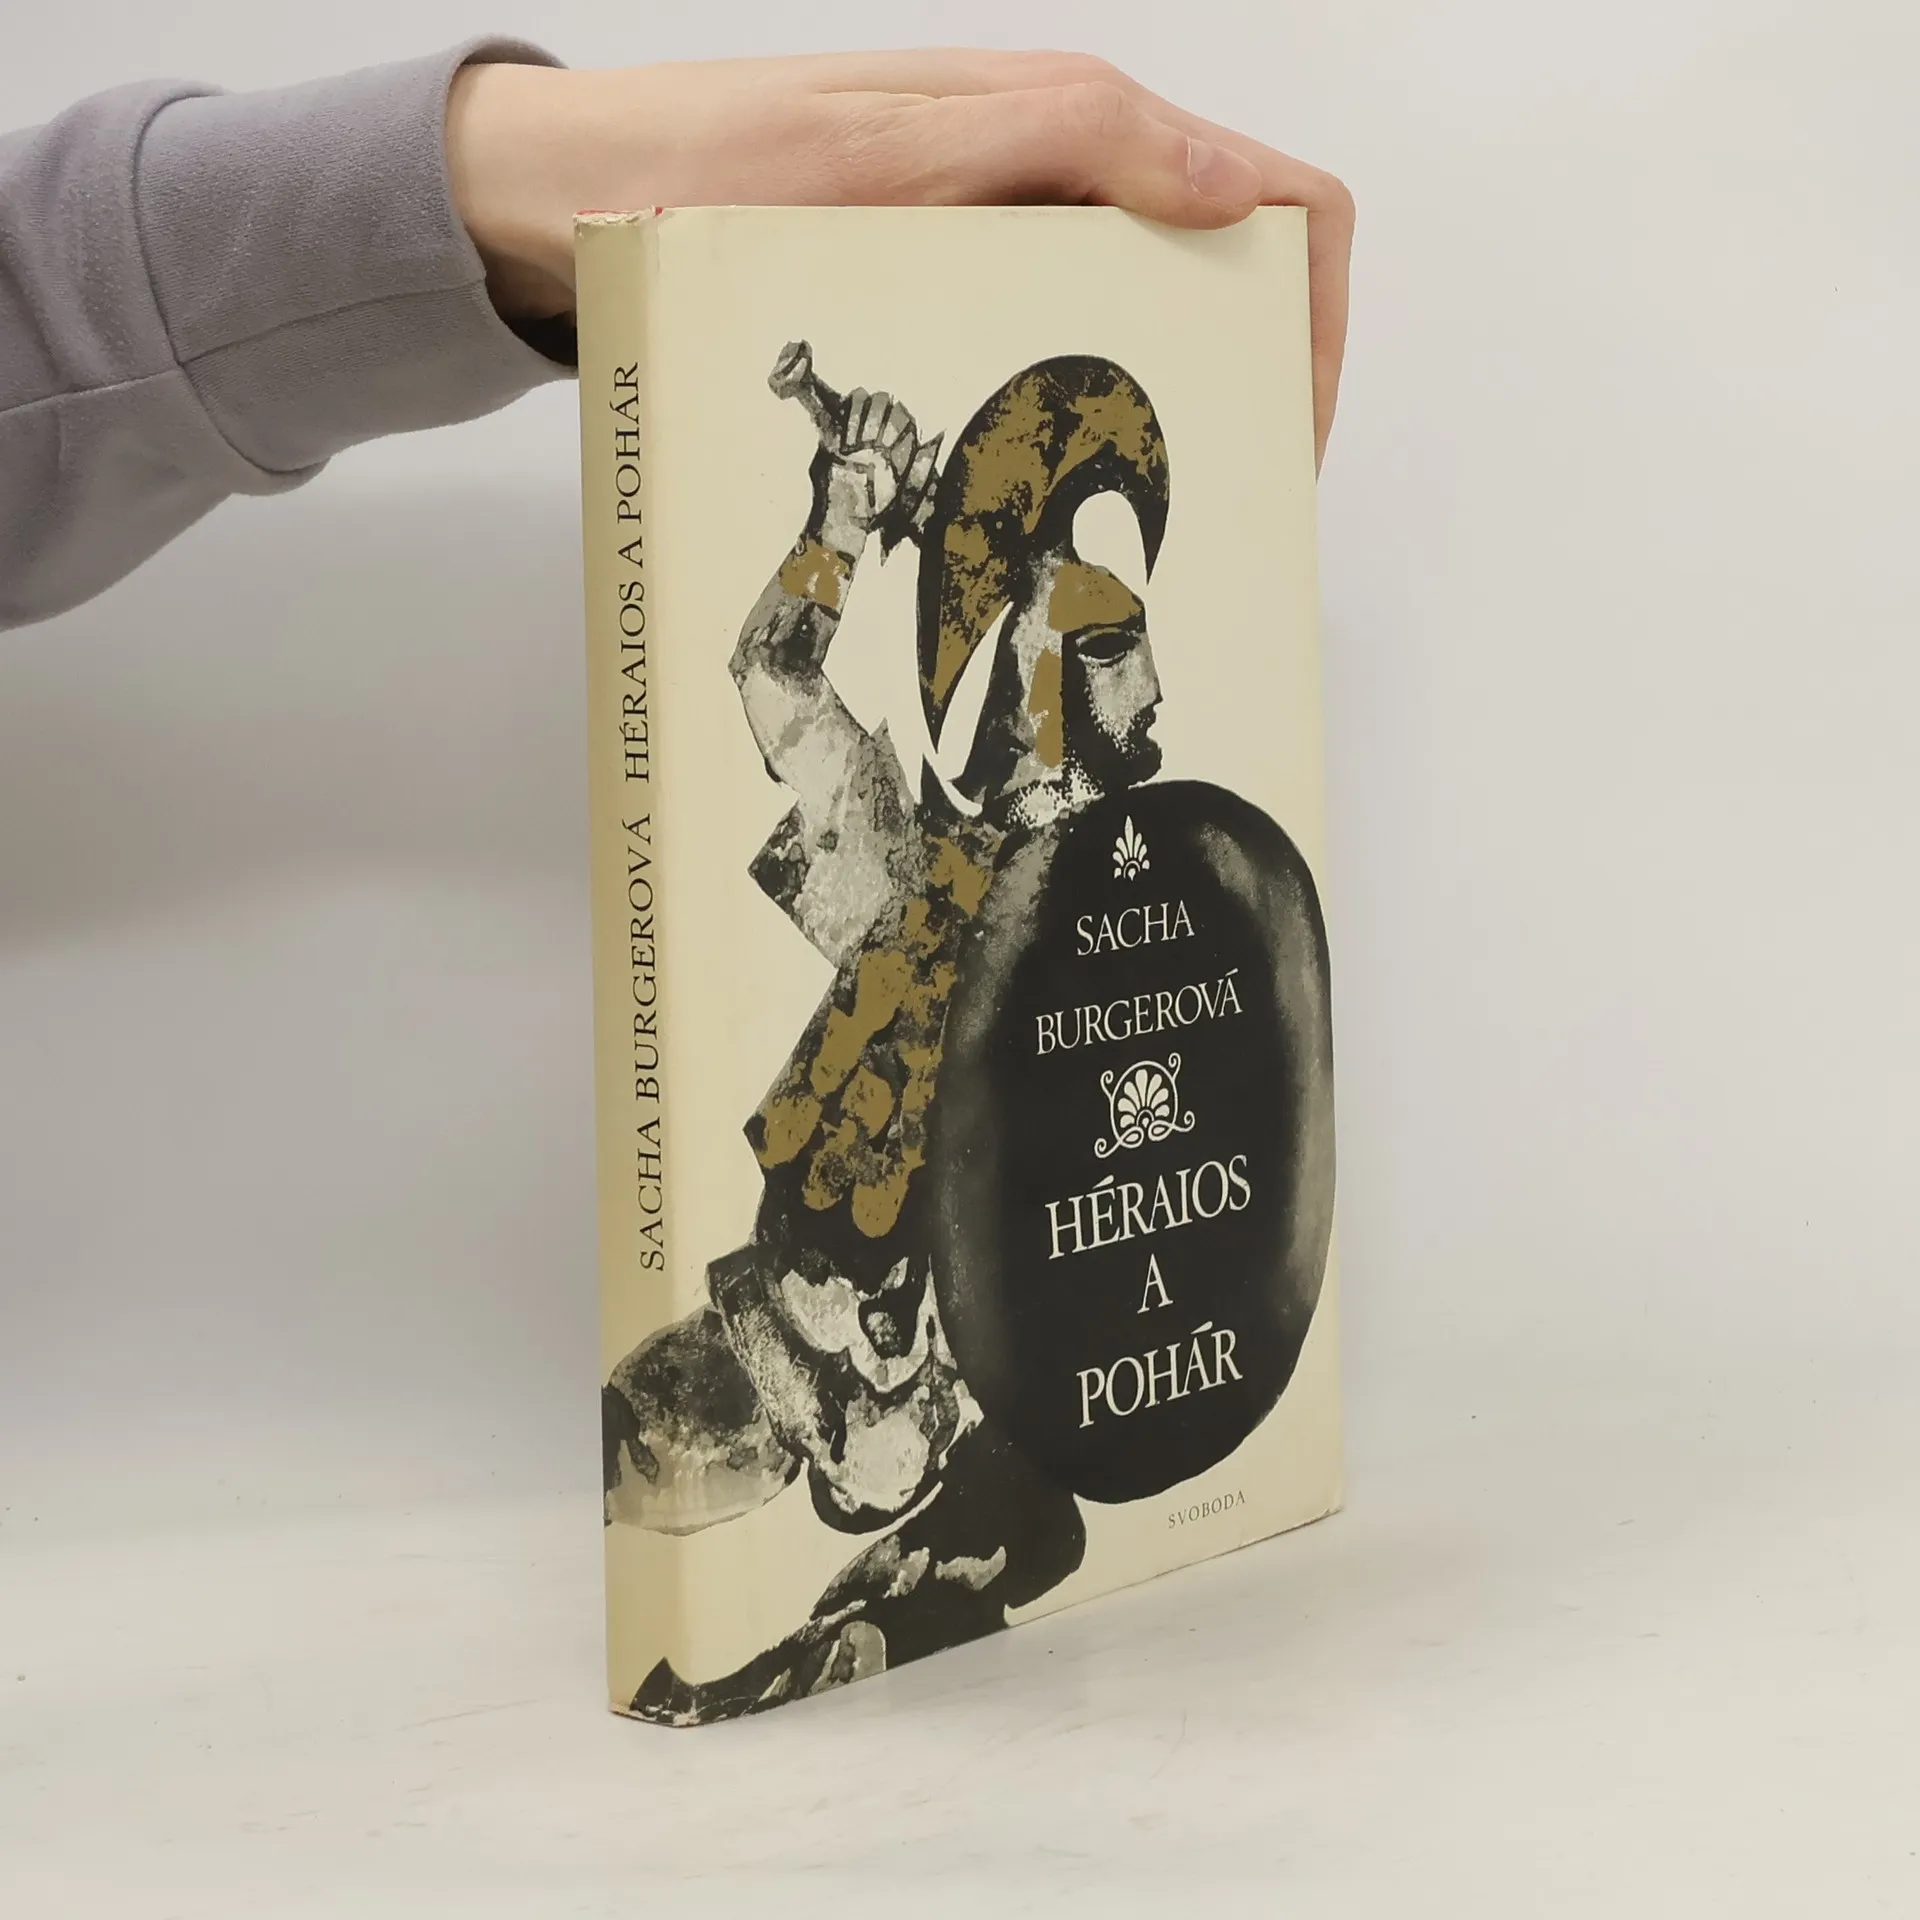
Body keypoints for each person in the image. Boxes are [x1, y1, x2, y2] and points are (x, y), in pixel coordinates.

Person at [0, 41, 1353, 629]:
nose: (1154, 693)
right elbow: (781, 693)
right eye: (1101, 636)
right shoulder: (917, 862)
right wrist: (834, 539)